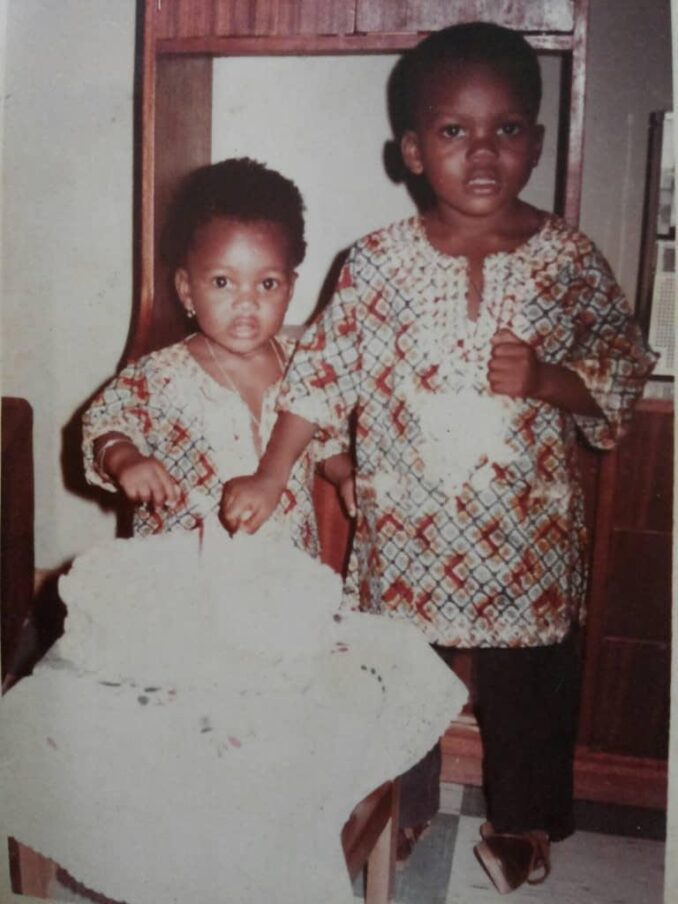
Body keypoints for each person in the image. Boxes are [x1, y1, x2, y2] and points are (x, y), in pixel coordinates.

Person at [219, 23, 656, 894]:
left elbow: (622, 366)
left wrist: (550, 379)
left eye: (506, 129)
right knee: (396, 679)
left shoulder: (567, 261)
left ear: (535, 137)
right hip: (411, 532)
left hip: (527, 536)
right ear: (413, 151)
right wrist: (274, 472)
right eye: (455, 132)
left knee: (530, 692)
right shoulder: (376, 263)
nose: (482, 152)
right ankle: (400, 801)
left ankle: (524, 824)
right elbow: (324, 371)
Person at [82, 157, 350, 550]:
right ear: (187, 290)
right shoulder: (162, 375)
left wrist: (346, 475)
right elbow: (105, 425)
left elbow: (324, 442)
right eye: (223, 282)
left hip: (284, 564)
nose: (246, 302)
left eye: (267, 283)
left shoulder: (305, 365)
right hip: (186, 567)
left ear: (291, 288)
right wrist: (126, 461)